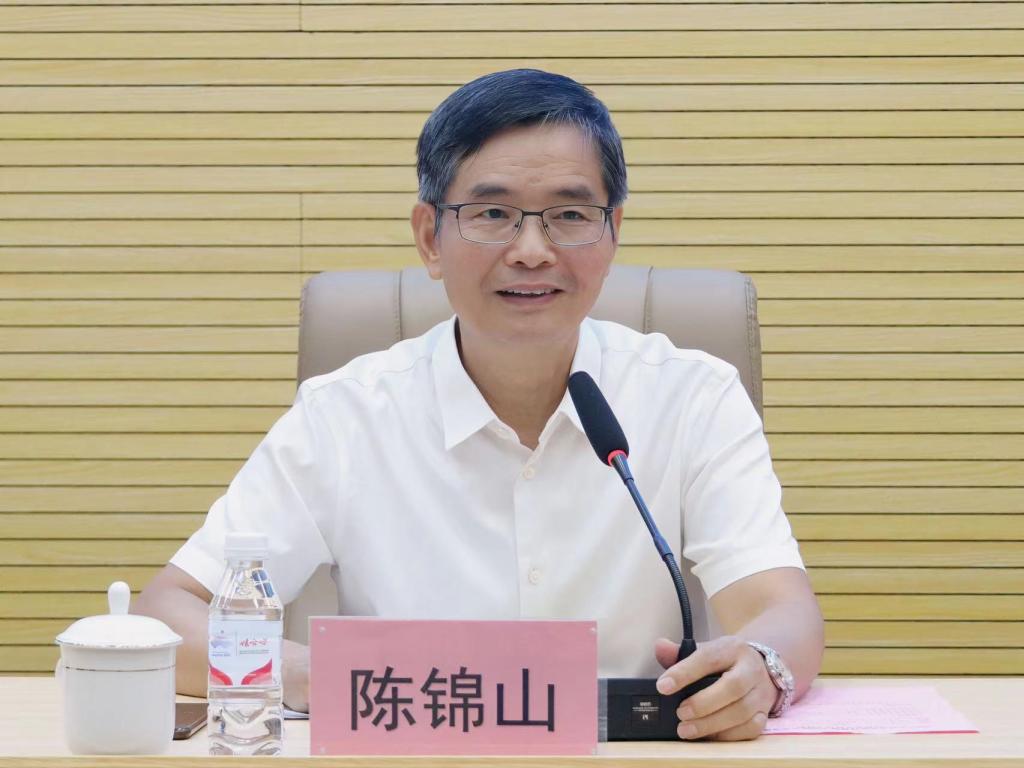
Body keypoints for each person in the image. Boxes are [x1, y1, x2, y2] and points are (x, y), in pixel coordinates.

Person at [134, 68, 824, 742]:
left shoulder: (693, 397)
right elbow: (171, 612)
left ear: (611, 233)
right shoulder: (343, 416)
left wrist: (760, 667)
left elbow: (781, 611)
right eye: (492, 214)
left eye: (570, 215)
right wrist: (319, 677)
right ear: (430, 238)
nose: (532, 251)